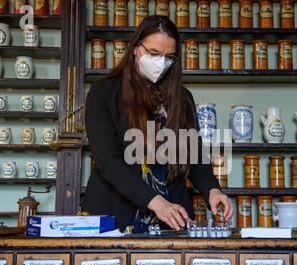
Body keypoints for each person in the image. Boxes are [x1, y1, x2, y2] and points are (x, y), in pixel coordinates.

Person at [81, 15, 232, 233]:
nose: (160, 63)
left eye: (168, 57)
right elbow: (108, 161)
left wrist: (213, 190)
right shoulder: (103, 94)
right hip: (114, 220)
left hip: (171, 223)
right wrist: (157, 203)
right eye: (153, 54)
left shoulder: (183, 99)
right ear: (135, 48)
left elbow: (195, 157)